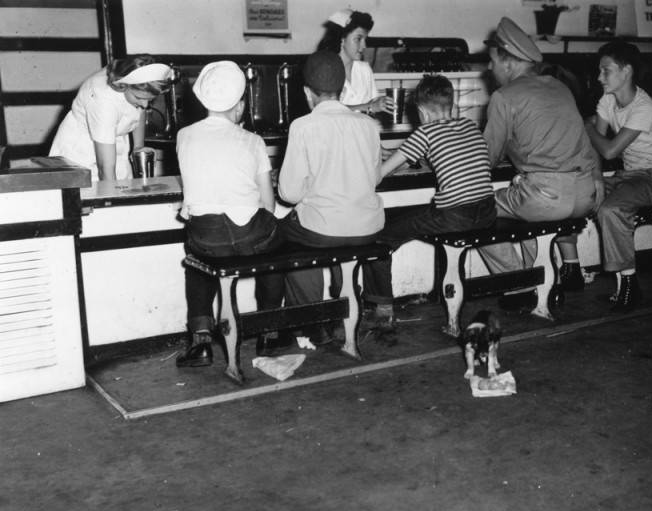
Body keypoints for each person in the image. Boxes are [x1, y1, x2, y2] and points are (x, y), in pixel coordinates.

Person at [477, 17, 601, 311]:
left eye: (492, 61)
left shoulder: (503, 96)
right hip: (584, 193)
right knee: (520, 197)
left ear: (508, 64)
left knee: (473, 211)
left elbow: (486, 158)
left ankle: (518, 284)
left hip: (546, 198)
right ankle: (532, 275)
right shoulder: (559, 87)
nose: (489, 68)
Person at [175, 61, 284, 382]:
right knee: (275, 251)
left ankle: (201, 340)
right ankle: (268, 331)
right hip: (251, 235)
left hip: (208, 237)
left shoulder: (184, 136)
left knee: (197, 259)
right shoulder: (253, 141)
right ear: (239, 105)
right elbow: (268, 203)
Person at [361, 74, 497, 329]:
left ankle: (382, 308)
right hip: (487, 211)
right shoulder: (469, 126)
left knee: (379, 233)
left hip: (455, 216)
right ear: (452, 106)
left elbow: (377, 176)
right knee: (419, 213)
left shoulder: (425, 132)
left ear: (422, 111)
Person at [278, 50, 384, 346]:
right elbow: (375, 179)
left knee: (290, 237)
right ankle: (344, 312)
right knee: (335, 231)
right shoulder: (368, 125)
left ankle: (309, 322)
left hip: (323, 230)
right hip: (367, 229)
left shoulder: (303, 126)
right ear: (342, 90)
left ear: (307, 93)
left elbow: (289, 193)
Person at [584, 41, 652, 312]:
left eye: (606, 71)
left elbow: (609, 149)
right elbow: (596, 148)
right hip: (629, 177)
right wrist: (597, 178)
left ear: (626, 71)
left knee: (612, 208)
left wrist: (585, 126)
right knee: (579, 194)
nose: (600, 77)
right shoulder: (608, 99)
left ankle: (630, 285)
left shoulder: (643, 107)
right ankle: (574, 269)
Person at [49, 54, 170, 181]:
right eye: (139, 98)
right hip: (82, 152)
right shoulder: (103, 101)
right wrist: (111, 197)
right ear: (123, 86)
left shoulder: (134, 81)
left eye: (149, 100)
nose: (145, 105)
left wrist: (138, 146)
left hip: (114, 141)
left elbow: (140, 107)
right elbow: (105, 170)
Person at [317, 9, 394, 117]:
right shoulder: (326, 70)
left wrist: (381, 103)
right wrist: (368, 107)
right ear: (342, 39)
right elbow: (326, 111)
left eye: (365, 39)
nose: (364, 46)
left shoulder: (364, 69)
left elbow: (373, 105)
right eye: (358, 39)